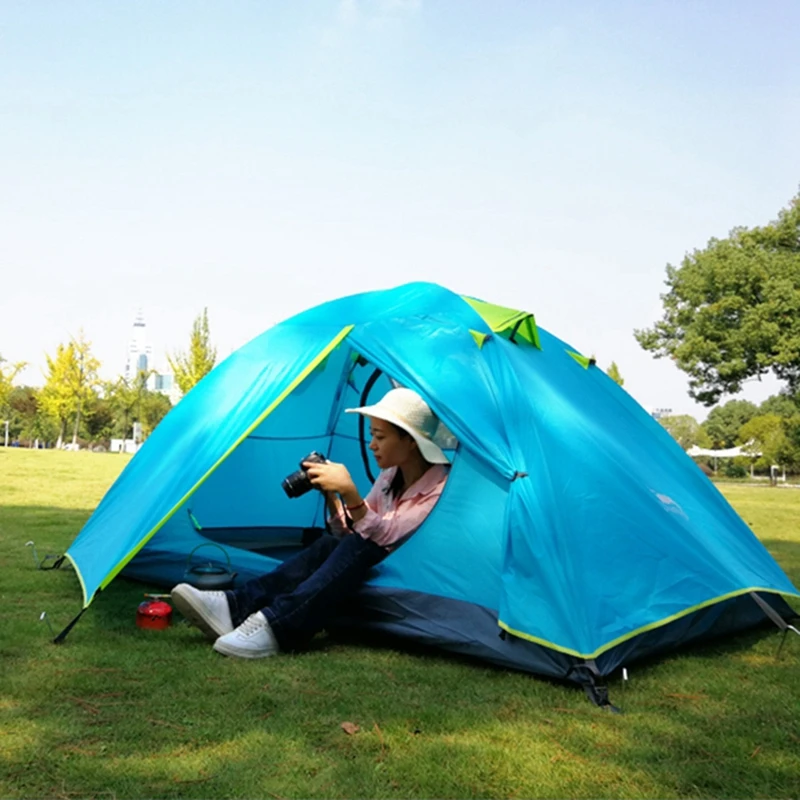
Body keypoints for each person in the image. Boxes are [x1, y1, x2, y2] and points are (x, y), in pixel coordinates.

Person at [171, 387, 450, 659]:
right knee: (331, 542)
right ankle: (235, 606)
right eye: (371, 435)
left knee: (358, 546)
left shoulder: (441, 486)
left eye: (380, 437)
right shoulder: (391, 475)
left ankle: (277, 627)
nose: (372, 445)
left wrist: (351, 492)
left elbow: (384, 539)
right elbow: (352, 532)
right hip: (363, 560)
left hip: (407, 574)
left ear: (411, 441)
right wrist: (332, 494)